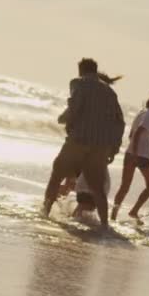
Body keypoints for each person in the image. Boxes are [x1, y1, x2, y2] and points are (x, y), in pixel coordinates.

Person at [42, 58, 125, 229]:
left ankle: (44, 213)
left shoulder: (79, 83)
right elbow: (119, 122)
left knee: (56, 175)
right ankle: (104, 226)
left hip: (79, 140)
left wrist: (66, 122)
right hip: (101, 147)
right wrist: (114, 148)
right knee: (97, 189)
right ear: (95, 70)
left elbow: (75, 106)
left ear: (81, 70)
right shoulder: (110, 92)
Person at [112, 89, 149, 224]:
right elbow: (138, 132)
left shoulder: (143, 112)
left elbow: (131, 134)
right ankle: (134, 211)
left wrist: (132, 150)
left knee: (125, 186)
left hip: (131, 153)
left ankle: (113, 216)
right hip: (142, 155)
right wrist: (135, 152)